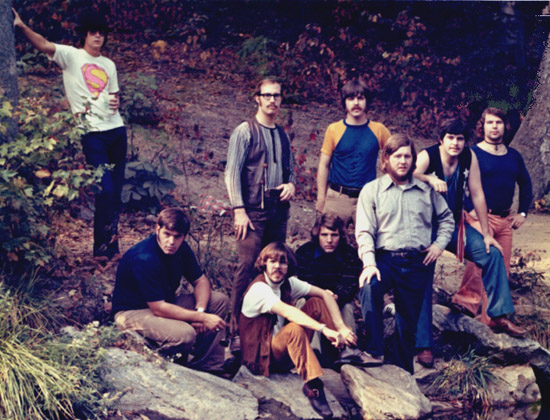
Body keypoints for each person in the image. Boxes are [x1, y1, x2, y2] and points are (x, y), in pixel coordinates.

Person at [13, 8, 127, 260]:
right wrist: (21, 26)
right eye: (93, 32)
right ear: (84, 34)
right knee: (105, 190)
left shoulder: (109, 64)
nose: (98, 37)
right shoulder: (71, 56)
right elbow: (43, 44)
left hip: (117, 131)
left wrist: (116, 101)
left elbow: (113, 95)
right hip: (92, 134)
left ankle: (113, 248)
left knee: (116, 193)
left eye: (101, 33)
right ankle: (100, 249)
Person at [414, 118, 527, 368]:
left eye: (460, 139)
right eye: (450, 138)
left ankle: (497, 315)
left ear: (465, 141)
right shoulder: (428, 156)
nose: (455, 143)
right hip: (425, 227)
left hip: (454, 225)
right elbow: (407, 173)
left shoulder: (468, 157)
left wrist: (486, 233)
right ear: (441, 139)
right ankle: (423, 345)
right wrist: (429, 179)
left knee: (492, 254)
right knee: (423, 279)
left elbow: (477, 193)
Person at [355, 134, 455, 374]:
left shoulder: (426, 190)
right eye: (397, 156)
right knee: (369, 288)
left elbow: (446, 219)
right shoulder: (372, 190)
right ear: (386, 159)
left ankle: (402, 372)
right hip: (384, 261)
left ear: (413, 160)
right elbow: (364, 231)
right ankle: (375, 350)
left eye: (407, 156)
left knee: (407, 326)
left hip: (416, 263)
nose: (402, 161)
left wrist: (438, 245)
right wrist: (369, 263)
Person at [240, 242, 357, 418]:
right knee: (293, 328)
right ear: (264, 263)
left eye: (283, 262)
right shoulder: (259, 289)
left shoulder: (288, 283)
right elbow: (289, 312)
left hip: (285, 352)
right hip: (263, 359)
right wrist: (324, 329)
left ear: (289, 266)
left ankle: (346, 348)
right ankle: (313, 385)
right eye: (272, 261)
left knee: (316, 302)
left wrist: (341, 328)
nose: (277, 266)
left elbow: (325, 294)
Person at [224, 77, 296, 354]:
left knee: (276, 266)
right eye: (267, 95)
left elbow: (291, 172)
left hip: (279, 210)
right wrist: (239, 210)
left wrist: (291, 185)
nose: (272, 100)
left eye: (276, 96)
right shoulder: (244, 132)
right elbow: (231, 173)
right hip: (252, 211)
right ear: (257, 98)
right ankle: (234, 332)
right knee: (246, 267)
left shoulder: (283, 135)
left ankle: (270, 330)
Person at [111, 208, 228, 373]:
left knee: (219, 300)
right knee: (185, 334)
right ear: (157, 229)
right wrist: (201, 317)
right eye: (167, 234)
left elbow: (200, 281)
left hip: (164, 303)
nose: (171, 241)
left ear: (184, 236)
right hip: (132, 312)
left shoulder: (182, 249)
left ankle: (208, 367)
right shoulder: (144, 257)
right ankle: (172, 368)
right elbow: (158, 308)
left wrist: (200, 311)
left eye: (177, 236)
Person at [453, 108, 533, 325]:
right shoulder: (472, 153)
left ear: (505, 126)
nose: (494, 126)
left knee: (501, 270)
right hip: (480, 218)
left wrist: (522, 212)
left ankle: (491, 319)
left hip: (505, 220)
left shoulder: (514, 156)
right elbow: (457, 182)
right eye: (490, 122)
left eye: (498, 122)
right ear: (483, 126)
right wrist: (468, 208)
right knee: (481, 260)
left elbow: (526, 184)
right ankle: (465, 304)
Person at [316, 79, 391, 224]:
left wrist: (384, 190)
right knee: (329, 236)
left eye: (360, 98)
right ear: (344, 103)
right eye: (351, 99)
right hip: (337, 197)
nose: (356, 103)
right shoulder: (334, 129)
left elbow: (394, 159)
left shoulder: (379, 130)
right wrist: (321, 198)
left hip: (367, 198)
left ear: (367, 102)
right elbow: (324, 165)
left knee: (370, 238)